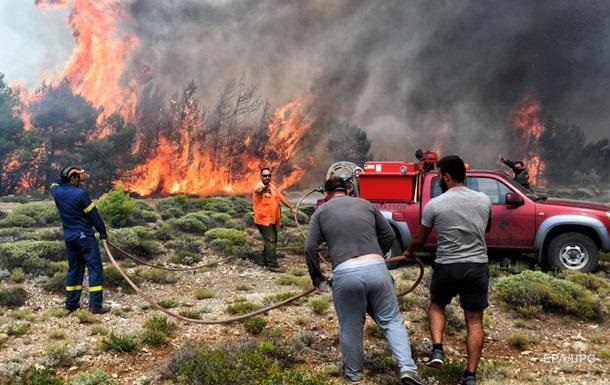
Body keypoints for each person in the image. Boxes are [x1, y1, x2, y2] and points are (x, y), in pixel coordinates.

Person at [305, 177, 425, 385]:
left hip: (345, 273)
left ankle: (354, 376)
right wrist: (377, 256)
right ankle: (407, 369)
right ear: (348, 191)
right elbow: (388, 235)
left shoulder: (321, 212)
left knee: (351, 326)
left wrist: (319, 279)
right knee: (392, 321)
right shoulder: (365, 204)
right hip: (377, 268)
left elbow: (309, 248)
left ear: (326, 195)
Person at [403, 155, 492, 385]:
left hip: (448, 265)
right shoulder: (484, 200)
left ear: (447, 176)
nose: (440, 178)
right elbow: (487, 228)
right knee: (474, 321)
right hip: (476, 266)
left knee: (437, 304)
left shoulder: (436, 204)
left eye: (440, 174)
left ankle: (438, 350)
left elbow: (420, 238)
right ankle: (470, 375)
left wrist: (409, 252)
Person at [50, 166, 110, 314]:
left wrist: (68, 175)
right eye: (78, 178)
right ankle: (95, 305)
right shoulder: (81, 194)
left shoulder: (57, 192)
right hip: (84, 237)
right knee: (95, 268)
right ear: (72, 178)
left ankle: (71, 303)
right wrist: (103, 232)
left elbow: (54, 184)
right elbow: (94, 216)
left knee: (75, 268)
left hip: (70, 237)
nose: (80, 180)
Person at [252, 167, 296, 272]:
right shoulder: (259, 186)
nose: (267, 177)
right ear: (260, 176)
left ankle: (264, 260)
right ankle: (272, 265)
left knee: (271, 240)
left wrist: (291, 208)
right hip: (263, 220)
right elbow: (259, 190)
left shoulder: (273, 187)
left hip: (272, 220)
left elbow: (282, 198)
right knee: (270, 240)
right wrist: (264, 188)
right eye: (264, 175)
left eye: (269, 175)